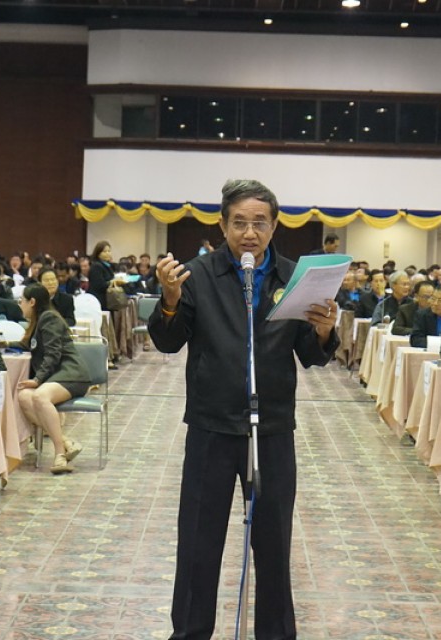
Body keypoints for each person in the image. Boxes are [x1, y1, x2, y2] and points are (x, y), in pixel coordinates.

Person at [148, 179, 338, 640]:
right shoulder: (196, 275)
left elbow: (311, 355)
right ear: (223, 225)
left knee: (273, 543)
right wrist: (170, 301)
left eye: (259, 223)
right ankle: (190, 632)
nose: (249, 233)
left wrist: (323, 330)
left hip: (271, 429)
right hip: (211, 427)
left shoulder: (295, 278)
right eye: (239, 223)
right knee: (198, 542)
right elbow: (168, 342)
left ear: (274, 225)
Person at [10, 284, 91, 474]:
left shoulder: (49, 318)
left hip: (72, 374)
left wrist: (37, 380)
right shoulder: (37, 322)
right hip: (57, 377)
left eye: (22, 301)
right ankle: (66, 442)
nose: (20, 305)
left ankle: (59, 454)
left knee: (39, 396)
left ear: (32, 302)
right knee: (23, 396)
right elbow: (26, 345)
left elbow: (53, 354)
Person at [410, 284, 441, 349]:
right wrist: (438, 344)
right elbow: (415, 339)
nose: (435, 303)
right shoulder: (422, 315)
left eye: (440, 301)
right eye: (433, 299)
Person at [88, 241, 117, 311]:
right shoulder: (97, 266)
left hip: (108, 300)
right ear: (98, 253)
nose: (107, 253)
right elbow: (99, 285)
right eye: (104, 251)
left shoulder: (108, 265)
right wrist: (112, 282)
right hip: (99, 300)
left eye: (109, 251)